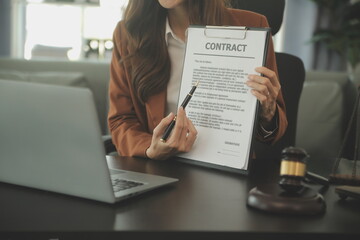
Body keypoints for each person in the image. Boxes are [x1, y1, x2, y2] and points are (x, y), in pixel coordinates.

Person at [108, 0, 288, 160]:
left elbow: (271, 131)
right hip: (158, 168)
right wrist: (150, 148)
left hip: (223, 171)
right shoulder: (128, 34)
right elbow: (121, 120)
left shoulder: (252, 26)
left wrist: (268, 113)